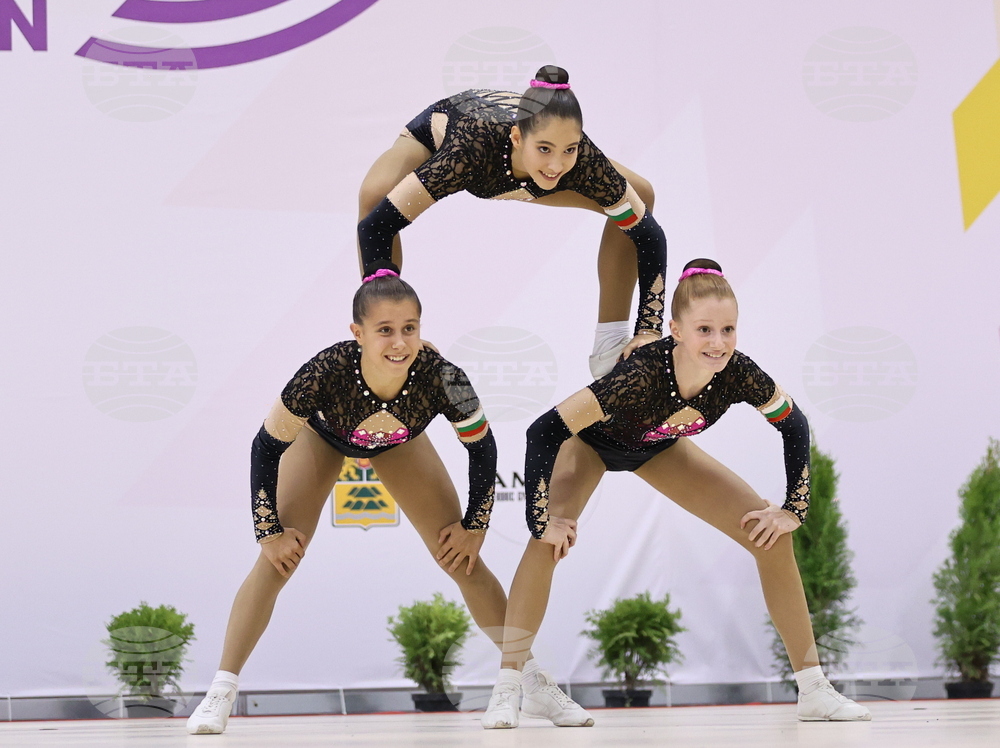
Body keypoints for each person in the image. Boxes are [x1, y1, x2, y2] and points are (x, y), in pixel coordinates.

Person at [186, 265, 588, 734]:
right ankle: (221, 691)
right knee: (277, 561)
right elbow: (266, 446)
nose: (399, 342)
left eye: (409, 329)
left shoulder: (443, 376)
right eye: (384, 331)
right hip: (322, 439)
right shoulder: (323, 371)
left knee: (460, 559)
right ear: (357, 333)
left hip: (399, 443)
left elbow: (483, 447)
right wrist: (269, 532)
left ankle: (530, 680)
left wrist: (474, 526)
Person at [481, 258, 872, 728]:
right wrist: (541, 520)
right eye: (704, 329)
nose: (718, 342)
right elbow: (543, 430)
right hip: (592, 445)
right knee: (546, 543)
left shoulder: (739, 373)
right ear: (676, 330)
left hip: (659, 447)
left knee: (769, 536)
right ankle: (508, 689)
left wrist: (794, 508)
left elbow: (794, 423)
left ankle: (813, 689)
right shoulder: (641, 373)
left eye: (728, 329)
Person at [357, 65, 668, 378]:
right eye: (545, 148)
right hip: (449, 143)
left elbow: (649, 237)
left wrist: (650, 329)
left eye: (569, 149)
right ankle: (382, 336)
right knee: (375, 197)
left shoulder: (580, 160)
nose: (556, 163)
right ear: (518, 137)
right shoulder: (469, 150)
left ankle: (610, 349)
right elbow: (376, 226)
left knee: (639, 194)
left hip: (524, 172)